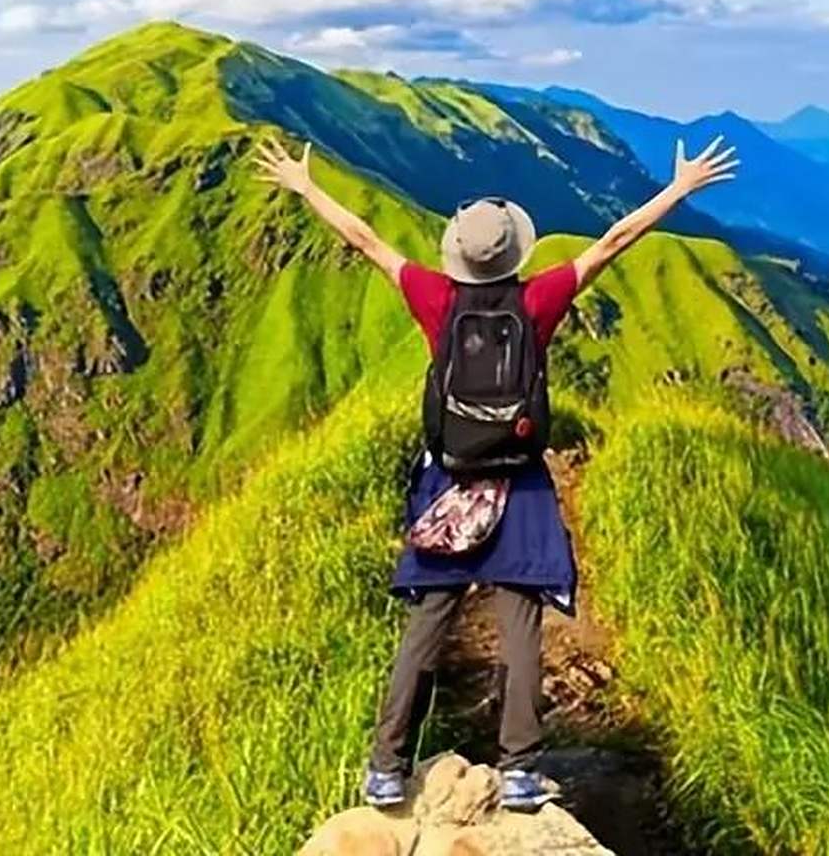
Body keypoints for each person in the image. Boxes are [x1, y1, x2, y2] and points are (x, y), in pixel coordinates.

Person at [253, 131, 740, 811]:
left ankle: (387, 767)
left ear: (457, 253)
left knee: (428, 623)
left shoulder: (435, 299)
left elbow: (365, 240)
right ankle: (518, 771)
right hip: (521, 482)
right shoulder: (537, 302)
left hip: (450, 480)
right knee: (521, 629)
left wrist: (305, 187)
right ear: (514, 252)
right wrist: (679, 189)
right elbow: (613, 242)